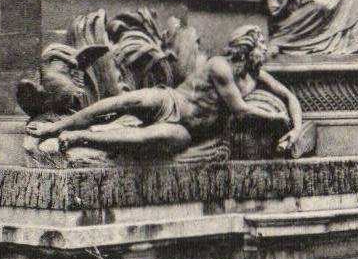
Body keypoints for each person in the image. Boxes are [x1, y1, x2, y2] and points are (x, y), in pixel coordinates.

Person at [26, 25, 305, 159]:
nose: (265, 53)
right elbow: (241, 111)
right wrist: (277, 121)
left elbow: (290, 97)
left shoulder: (257, 77)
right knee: (126, 101)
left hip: (188, 131)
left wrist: (296, 128)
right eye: (262, 48)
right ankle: (58, 126)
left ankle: (80, 137)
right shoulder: (221, 67)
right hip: (173, 103)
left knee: (143, 138)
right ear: (247, 48)